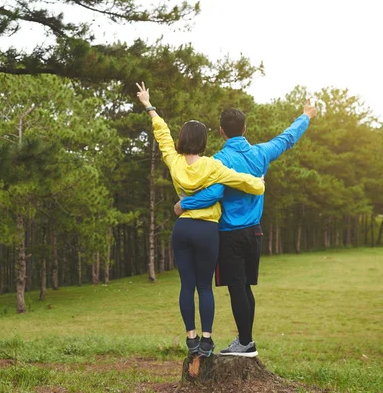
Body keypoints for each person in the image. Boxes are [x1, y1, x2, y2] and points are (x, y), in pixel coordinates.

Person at [174, 101, 317, 357]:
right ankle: (245, 339)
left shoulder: (218, 161)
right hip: (255, 233)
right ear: (245, 128)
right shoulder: (261, 152)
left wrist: (185, 204)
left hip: (230, 234)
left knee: (237, 288)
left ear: (221, 131)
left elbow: (215, 192)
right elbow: (287, 138)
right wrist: (305, 115)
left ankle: (246, 344)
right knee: (245, 287)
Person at [135, 82, 265, 357]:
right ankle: (207, 341)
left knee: (186, 285)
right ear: (205, 141)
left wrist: (149, 106)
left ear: (182, 141)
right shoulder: (213, 166)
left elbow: (162, 134)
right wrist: (259, 183)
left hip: (182, 229)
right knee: (205, 286)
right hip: (207, 230)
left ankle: (191, 338)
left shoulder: (174, 161)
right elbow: (242, 182)